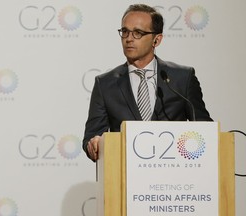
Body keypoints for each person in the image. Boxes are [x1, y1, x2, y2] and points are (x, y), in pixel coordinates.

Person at [82, 4, 212, 161]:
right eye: (125, 32)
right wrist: (94, 144)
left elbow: (205, 129)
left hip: (174, 174)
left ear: (156, 40)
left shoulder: (182, 78)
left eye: (138, 33)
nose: (129, 39)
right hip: (125, 176)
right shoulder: (105, 84)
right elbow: (92, 135)